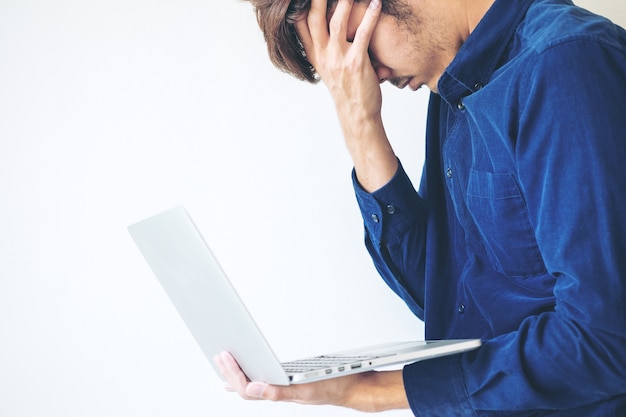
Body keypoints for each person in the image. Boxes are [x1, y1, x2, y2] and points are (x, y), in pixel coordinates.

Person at [214, 0, 626, 414]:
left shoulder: (564, 63)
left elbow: (605, 340)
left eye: (355, 44)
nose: (366, 75)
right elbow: (442, 295)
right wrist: (360, 123)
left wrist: (374, 392)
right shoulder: (453, 92)